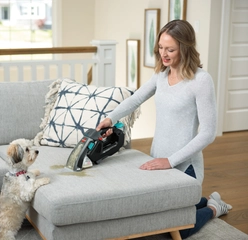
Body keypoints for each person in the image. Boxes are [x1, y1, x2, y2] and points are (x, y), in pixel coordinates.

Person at [96, 20, 232, 239]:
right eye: (160, 48)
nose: (163, 54)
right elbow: (136, 98)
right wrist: (110, 118)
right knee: (154, 217)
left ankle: (214, 208)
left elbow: (208, 132)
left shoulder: (201, 80)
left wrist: (170, 161)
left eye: (170, 49)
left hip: (185, 166)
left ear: (185, 48)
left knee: (177, 228)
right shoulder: (161, 74)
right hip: (158, 160)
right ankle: (203, 200)